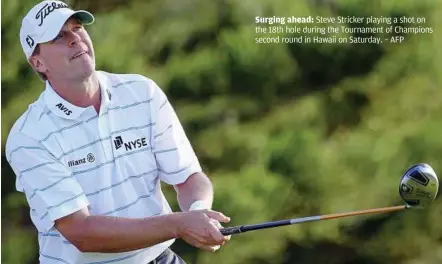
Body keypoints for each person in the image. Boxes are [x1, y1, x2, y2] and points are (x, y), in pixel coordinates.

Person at [5, 1, 231, 263]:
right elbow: (82, 232)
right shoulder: (28, 137)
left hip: (159, 258)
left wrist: (199, 213)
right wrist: (180, 224)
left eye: (77, 28)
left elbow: (189, 177)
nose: (75, 39)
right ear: (38, 62)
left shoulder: (142, 92)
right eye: (58, 36)